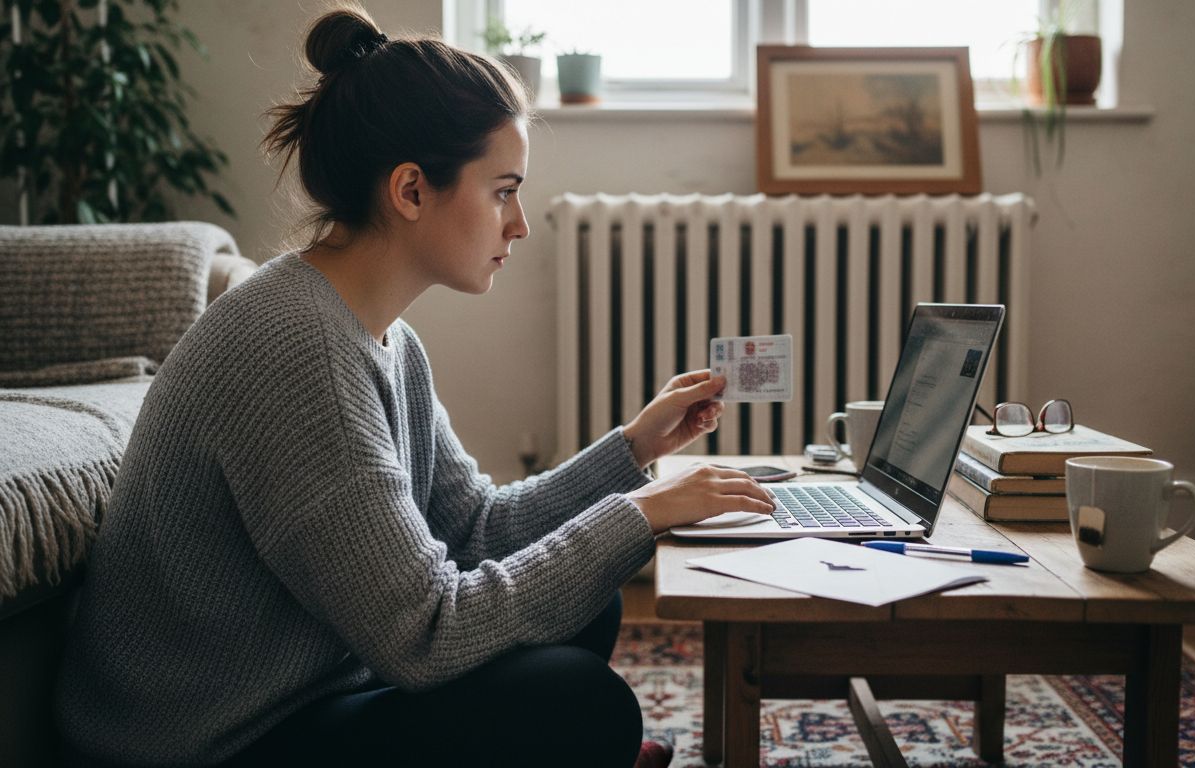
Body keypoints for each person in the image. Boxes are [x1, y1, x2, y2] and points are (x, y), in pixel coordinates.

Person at [53, 6, 776, 767]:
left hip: (313, 693)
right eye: (502, 191)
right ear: (409, 190)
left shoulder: (382, 336)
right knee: (579, 698)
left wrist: (634, 449)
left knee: (580, 600)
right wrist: (639, 515)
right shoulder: (297, 349)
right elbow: (427, 635)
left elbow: (476, 530)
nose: (520, 224)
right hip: (208, 743)